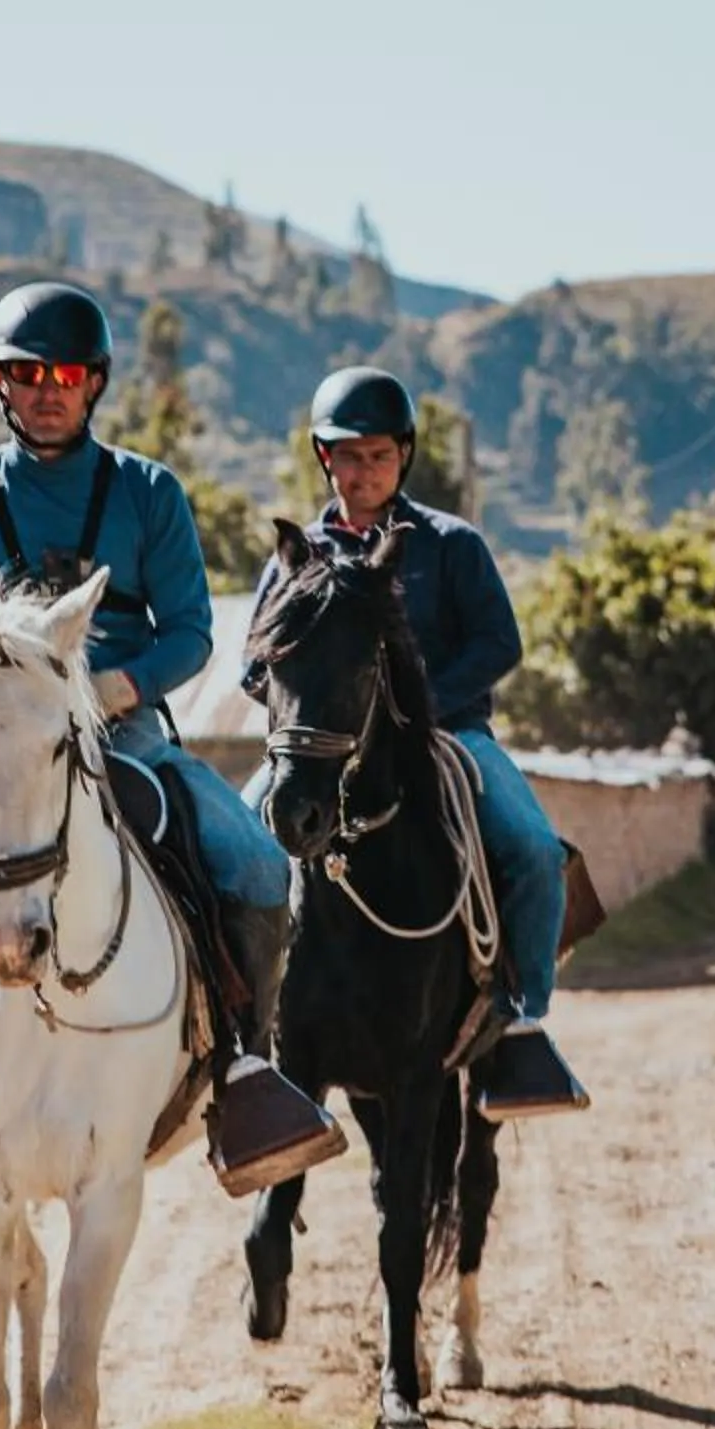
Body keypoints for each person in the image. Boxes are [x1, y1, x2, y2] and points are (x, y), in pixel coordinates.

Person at [0, 281, 344, 1207]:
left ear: (95, 383)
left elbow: (192, 634)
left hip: (124, 731)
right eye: (24, 373)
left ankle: (246, 1077)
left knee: (253, 864)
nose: (45, 389)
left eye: (64, 374)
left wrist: (116, 686)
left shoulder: (149, 493)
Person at [245, 366, 587, 1119]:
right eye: (348, 456)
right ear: (323, 458)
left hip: (448, 734)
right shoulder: (297, 556)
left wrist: (423, 707)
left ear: (404, 456)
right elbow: (253, 662)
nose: (363, 471)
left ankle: (523, 1020)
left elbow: (499, 642)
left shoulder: (452, 545)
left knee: (532, 851)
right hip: (325, 749)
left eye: (378, 455)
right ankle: (239, 1040)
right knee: (235, 853)